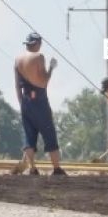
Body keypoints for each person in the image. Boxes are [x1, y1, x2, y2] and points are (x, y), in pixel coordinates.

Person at [14, 32, 66, 176]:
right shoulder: (39, 57)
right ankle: (56, 168)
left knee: (29, 136)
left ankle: (32, 168)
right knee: (49, 133)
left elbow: (17, 85)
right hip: (39, 99)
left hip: (25, 100)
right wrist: (51, 68)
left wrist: (22, 104)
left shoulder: (18, 59)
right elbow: (43, 81)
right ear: (37, 43)